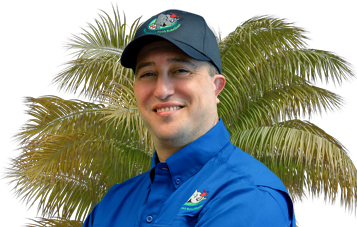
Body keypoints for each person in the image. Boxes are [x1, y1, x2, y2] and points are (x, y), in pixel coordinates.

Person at [83, 9, 296, 227]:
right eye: (148, 74)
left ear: (216, 87)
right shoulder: (113, 204)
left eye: (180, 70)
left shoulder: (250, 196)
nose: (162, 91)